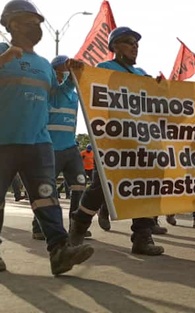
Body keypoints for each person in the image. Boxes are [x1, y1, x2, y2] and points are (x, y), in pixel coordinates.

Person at [0, 0, 93, 274]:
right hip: (3, 142)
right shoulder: (2, 52)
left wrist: (71, 78)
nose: (36, 27)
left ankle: (60, 252)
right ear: (12, 23)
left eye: (38, 23)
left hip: (39, 144)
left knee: (46, 197)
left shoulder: (43, 64)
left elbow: (55, 95)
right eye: (30, 22)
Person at [68, 26, 164, 256]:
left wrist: (158, 87)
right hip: (115, 140)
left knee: (146, 188)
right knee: (102, 187)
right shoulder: (104, 69)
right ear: (114, 47)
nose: (134, 47)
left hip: (141, 142)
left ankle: (142, 237)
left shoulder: (141, 73)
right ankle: (78, 226)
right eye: (129, 42)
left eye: (136, 44)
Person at [31, 55, 90, 241]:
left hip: (70, 147)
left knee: (80, 184)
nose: (69, 72)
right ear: (55, 71)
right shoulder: (48, 91)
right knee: (46, 189)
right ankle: (38, 227)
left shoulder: (74, 95)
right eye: (66, 69)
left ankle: (75, 224)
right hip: (50, 148)